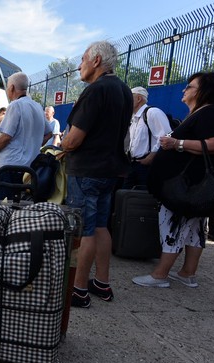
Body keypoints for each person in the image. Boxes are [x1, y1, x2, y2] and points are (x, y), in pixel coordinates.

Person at [60, 41, 133, 308]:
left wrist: (62, 144)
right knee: (101, 226)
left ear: (96, 60)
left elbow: (74, 138)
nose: (79, 65)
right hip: (110, 170)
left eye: (82, 59)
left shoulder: (96, 90)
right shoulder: (124, 90)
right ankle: (102, 283)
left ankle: (78, 290)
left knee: (84, 230)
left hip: (88, 169)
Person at [133, 72, 214, 288]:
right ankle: (187, 272)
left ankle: (160, 275)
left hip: (188, 185)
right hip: (194, 186)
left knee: (173, 224)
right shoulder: (204, 113)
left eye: (190, 86)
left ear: (203, 91)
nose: (184, 89)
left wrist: (176, 144)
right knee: (194, 228)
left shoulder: (209, 113)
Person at [0, 72, 46, 200]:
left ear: (11, 88)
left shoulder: (15, 105)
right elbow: (49, 132)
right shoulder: (38, 107)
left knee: (2, 205)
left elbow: (6, 136)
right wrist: (33, 145)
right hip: (30, 168)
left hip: (11, 166)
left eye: (7, 87)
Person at [122, 86, 172, 189]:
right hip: (132, 165)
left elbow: (168, 135)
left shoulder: (153, 112)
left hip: (146, 167)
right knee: (126, 197)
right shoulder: (134, 118)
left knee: (143, 198)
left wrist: (151, 156)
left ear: (139, 99)